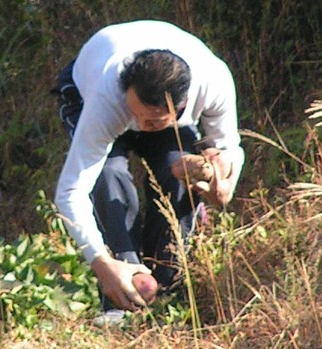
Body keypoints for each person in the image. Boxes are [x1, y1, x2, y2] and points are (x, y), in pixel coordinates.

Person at [52, 20, 244, 320]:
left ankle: (167, 287)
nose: (142, 127)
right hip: (86, 90)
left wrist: (223, 185)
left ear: (181, 107)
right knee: (108, 176)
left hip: (164, 110)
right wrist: (100, 263)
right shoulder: (107, 98)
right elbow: (71, 191)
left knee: (176, 171)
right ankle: (122, 290)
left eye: (153, 122)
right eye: (136, 113)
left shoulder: (213, 82)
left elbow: (229, 148)